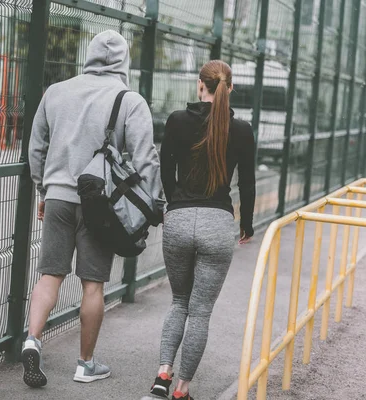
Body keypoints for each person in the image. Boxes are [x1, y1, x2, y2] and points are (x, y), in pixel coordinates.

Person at [23, 30, 162, 388]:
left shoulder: (56, 92)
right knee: (93, 285)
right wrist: (153, 204)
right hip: (101, 205)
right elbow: (145, 158)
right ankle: (85, 364)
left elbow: (36, 147)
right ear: (124, 61)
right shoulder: (129, 100)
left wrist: (44, 187)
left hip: (56, 197)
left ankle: (32, 339)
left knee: (49, 275)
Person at [149, 60, 256, 400]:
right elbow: (248, 184)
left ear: (200, 85)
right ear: (231, 88)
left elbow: (165, 170)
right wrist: (247, 224)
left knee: (179, 301)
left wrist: (173, 204)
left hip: (179, 218)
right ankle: (182, 391)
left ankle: (163, 374)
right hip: (218, 223)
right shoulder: (242, 129)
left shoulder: (177, 121)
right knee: (200, 311)